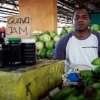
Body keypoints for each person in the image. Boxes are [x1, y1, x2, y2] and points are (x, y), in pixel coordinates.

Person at [53, 7, 100, 72]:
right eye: (77, 17)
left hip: (94, 79)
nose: (80, 20)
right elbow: (56, 64)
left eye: (84, 17)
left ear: (89, 20)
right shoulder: (63, 41)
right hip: (70, 79)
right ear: (72, 21)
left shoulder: (98, 38)